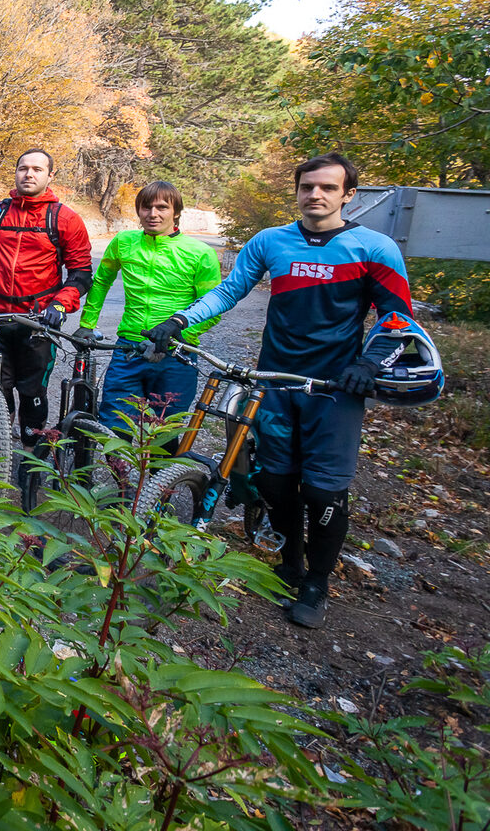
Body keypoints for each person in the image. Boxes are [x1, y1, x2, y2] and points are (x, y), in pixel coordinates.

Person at [142, 153, 416, 629]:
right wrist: (180, 320)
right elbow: (230, 291)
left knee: (324, 491)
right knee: (275, 481)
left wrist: (369, 363)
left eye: (328, 188)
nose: (316, 195)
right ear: (297, 190)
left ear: (347, 194)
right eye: (308, 186)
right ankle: (290, 560)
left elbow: (398, 317)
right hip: (275, 381)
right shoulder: (271, 241)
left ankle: (318, 582)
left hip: (335, 387)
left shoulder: (375, 247)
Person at [0, 148, 93, 446]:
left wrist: (61, 304)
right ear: (16, 172)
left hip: (39, 322)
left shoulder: (65, 219)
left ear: (50, 175)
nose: (29, 174)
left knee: (32, 390)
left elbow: (81, 273)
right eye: (23, 168)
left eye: (37, 169)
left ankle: (30, 448)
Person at [79, 180, 221, 434]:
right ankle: (120, 475)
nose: (153, 214)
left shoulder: (200, 253)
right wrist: (86, 324)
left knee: (164, 433)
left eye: (162, 207)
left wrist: (178, 334)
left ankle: (161, 476)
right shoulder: (123, 242)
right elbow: (100, 282)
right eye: (146, 207)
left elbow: (213, 307)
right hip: (128, 349)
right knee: (114, 427)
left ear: (176, 211)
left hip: (177, 353)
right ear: (138, 211)